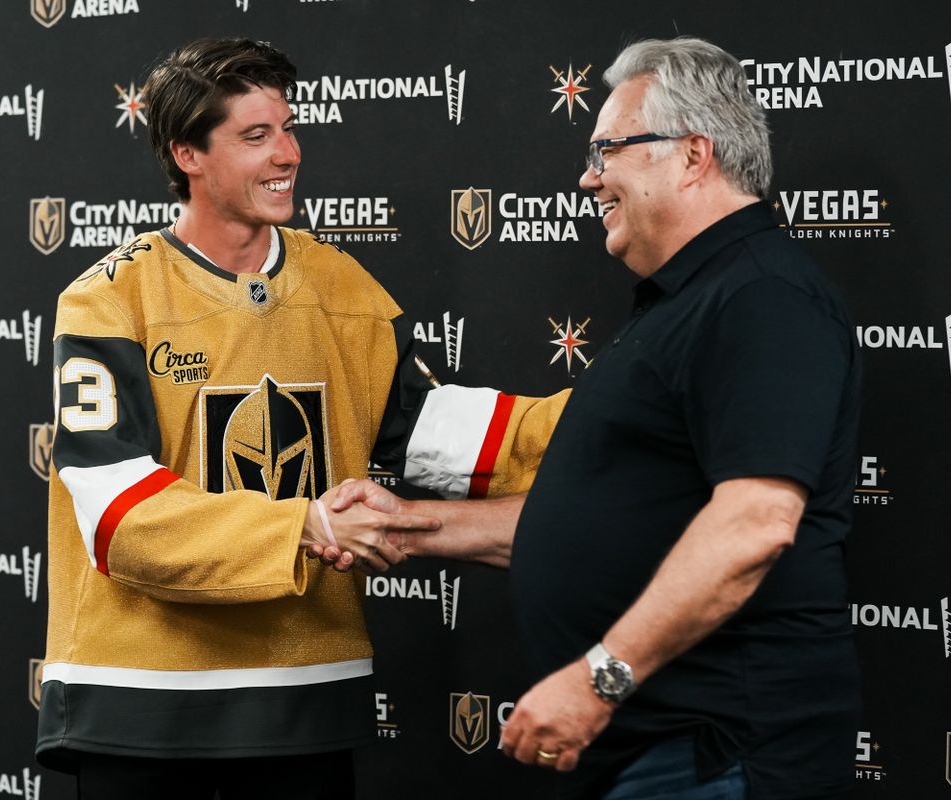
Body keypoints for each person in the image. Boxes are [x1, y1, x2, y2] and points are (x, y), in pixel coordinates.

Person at [328, 36, 862, 800]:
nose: (587, 178)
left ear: (691, 155)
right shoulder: (684, 304)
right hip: (655, 751)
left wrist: (598, 679)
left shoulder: (761, 296)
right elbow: (600, 520)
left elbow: (756, 524)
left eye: (607, 149)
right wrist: (409, 524)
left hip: (717, 751)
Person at [35, 37, 566, 799]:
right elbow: (119, 518)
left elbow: (449, 437)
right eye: (256, 136)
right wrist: (307, 526)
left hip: (305, 703)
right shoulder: (110, 298)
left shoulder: (339, 282)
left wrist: (620, 410)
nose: (288, 152)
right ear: (188, 153)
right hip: (141, 709)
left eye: (288, 128)